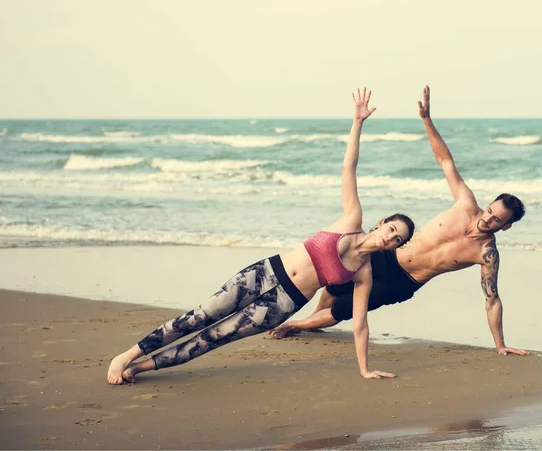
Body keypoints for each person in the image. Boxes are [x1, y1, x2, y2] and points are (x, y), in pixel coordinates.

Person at [106, 88, 416, 385]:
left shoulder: (363, 274)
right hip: (263, 273)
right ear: (382, 223)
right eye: (391, 230)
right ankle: (126, 356)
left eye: (397, 241)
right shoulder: (351, 220)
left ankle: (141, 367)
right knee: (199, 317)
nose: (389, 240)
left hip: (283, 304)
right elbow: (349, 167)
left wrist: (364, 369)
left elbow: (360, 324)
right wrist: (357, 122)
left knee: (214, 338)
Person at [270, 86, 528, 357]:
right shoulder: (465, 203)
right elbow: (444, 160)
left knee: (345, 309)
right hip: (388, 254)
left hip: (403, 281)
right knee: (336, 283)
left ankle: (296, 325)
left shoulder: (487, 255)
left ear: (506, 226)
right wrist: (427, 120)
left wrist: (500, 345)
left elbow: (491, 298)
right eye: (489, 210)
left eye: (496, 219)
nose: (487, 219)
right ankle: (314, 319)